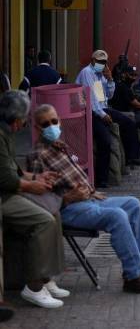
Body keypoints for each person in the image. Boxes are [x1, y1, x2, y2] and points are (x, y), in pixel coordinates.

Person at [28, 104, 140, 293]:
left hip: (89, 200)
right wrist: (67, 198)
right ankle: (134, 276)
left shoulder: (60, 146)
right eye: (45, 124)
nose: (52, 126)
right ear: (37, 128)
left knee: (133, 204)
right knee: (117, 216)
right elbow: (40, 199)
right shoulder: (38, 156)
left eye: (54, 121)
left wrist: (89, 192)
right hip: (68, 209)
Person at [0, 91, 68, 310]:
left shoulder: (6, 133)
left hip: (12, 191)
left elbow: (15, 170)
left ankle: (48, 278)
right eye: (22, 120)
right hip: (5, 196)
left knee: (54, 215)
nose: (22, 124)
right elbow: (8, 179)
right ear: (16, 118)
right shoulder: (1, 135)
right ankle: (34, 286)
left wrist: (37, 177)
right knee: (44, 221)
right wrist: (32, 185)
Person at [76, 50, 140, 188]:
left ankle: (133, 157)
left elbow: (108, 96)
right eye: (99, 62)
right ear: (92, 61)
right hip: (90, 112)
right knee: (105, 140)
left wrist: (110, 79)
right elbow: (91, 100)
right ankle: (102, 179)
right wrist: (102, 115)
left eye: (104, 62)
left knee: (129, 123)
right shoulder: (87, 73)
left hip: (102, 108)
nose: (101, 64)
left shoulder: (100, 75)